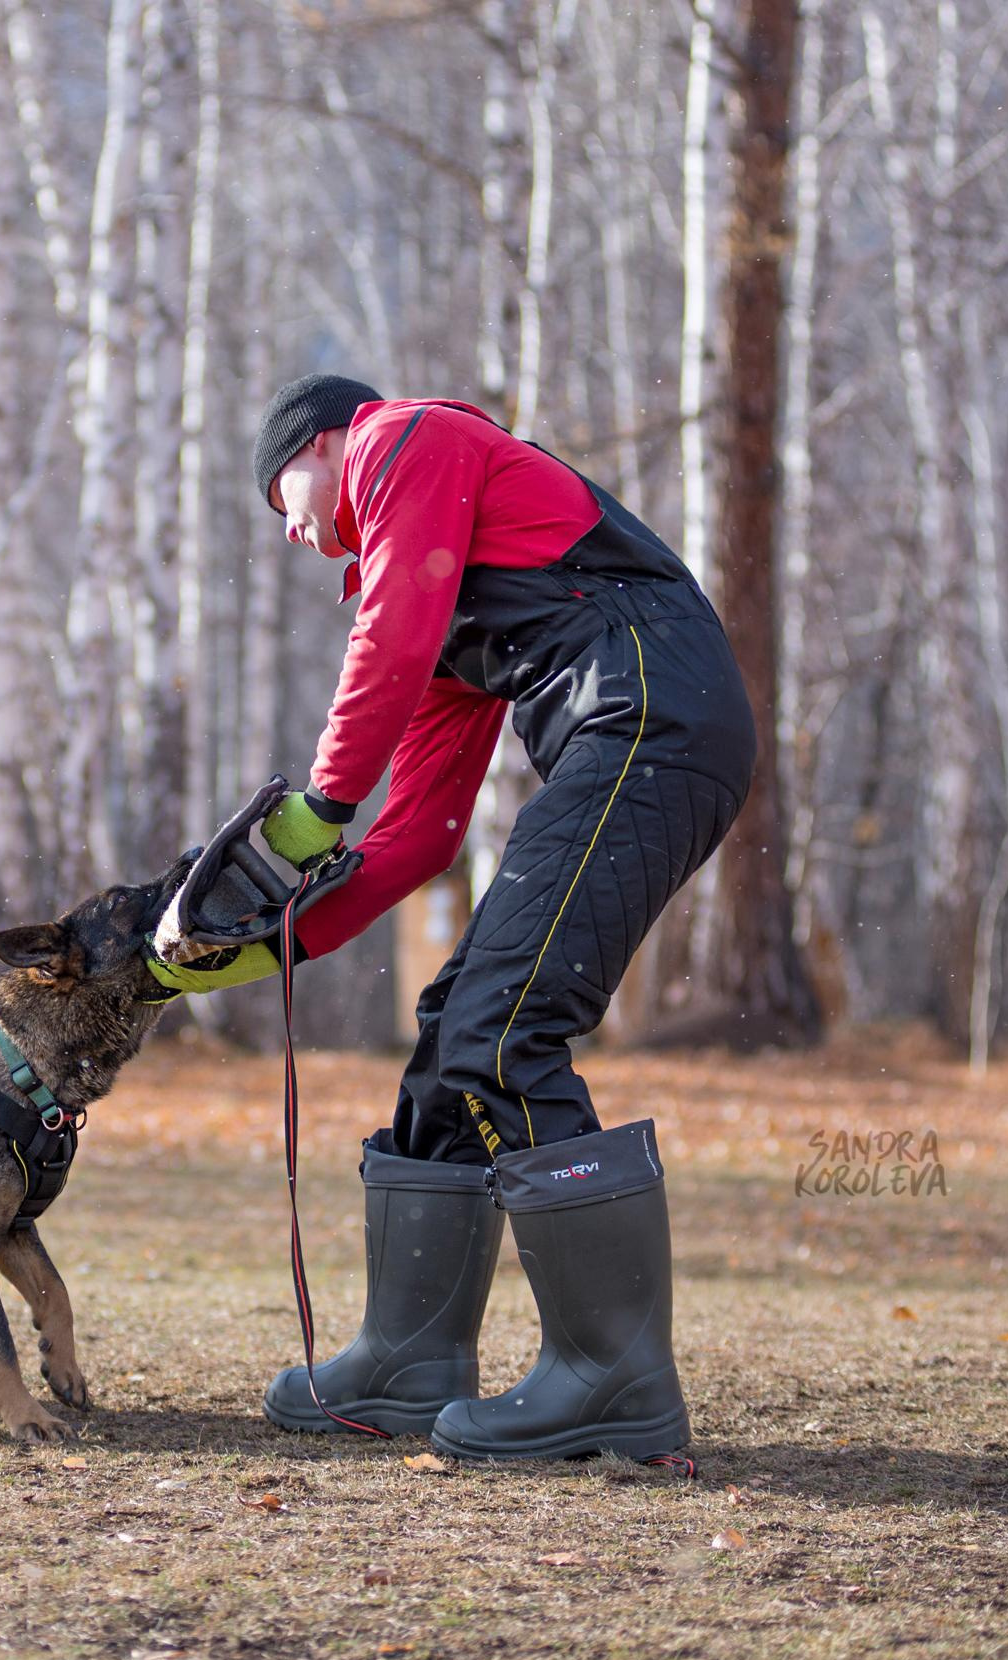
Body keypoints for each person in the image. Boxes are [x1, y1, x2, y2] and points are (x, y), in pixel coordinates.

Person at [149, 375, 756, 1461]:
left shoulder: (408, 439)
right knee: (452, 1031)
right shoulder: (437, 578)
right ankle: (409, 1362)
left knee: (503, 1029)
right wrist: (266, 948)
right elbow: (419, 835)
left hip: (652, 722)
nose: (287, 530)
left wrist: (318, 807)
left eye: (280, 496)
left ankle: (615, 1380)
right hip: (637, 736)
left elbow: (387, 640)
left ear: (323, 442)